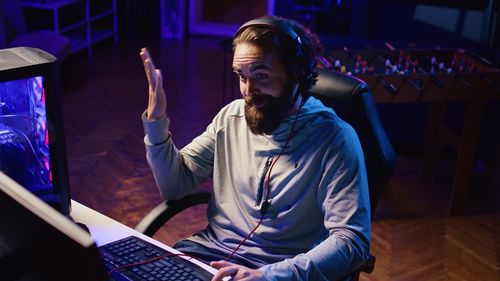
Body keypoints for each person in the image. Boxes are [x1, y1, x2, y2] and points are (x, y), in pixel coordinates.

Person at [140, 15, 371, 281]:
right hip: (209, 255)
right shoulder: (231, 118)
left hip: (280, 270)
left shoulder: (336, 139)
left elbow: (352, 242)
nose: (248, 91)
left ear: (297, 73)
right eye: (241, 76)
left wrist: (269, 276)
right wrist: (156, 122)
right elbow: (174, 185)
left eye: (261, 76)